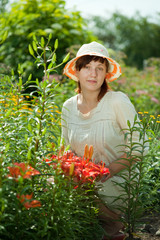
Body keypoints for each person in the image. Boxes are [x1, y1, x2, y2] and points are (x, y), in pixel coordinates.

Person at [61, 41, 148, 240]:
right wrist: (74, 169)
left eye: (99, 68)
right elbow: (65, 150)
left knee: (80, 191)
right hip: (84, 179)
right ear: (77, 71)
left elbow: (140, 146)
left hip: (119, 179)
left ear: (106, 73)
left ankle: (114, 224)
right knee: (49, 184)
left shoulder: (117, 101)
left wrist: (107, 171)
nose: (93, 74)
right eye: (87, 67)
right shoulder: (68, 107)